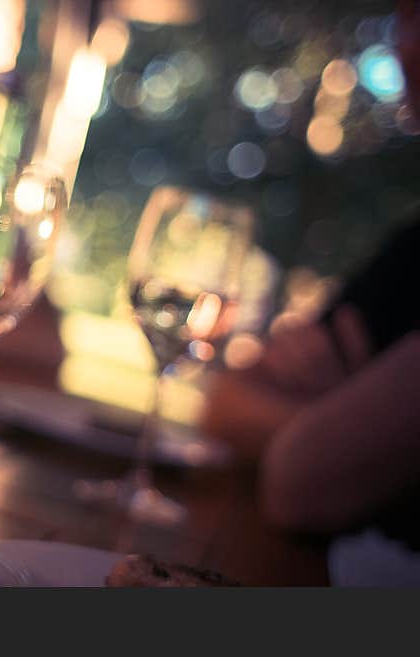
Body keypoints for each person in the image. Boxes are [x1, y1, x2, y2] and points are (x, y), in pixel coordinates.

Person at [199, 1, 420, 556]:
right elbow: (223, 402)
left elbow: (300, 478)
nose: (405, 45)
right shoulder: (410, 254)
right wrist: (348, 437)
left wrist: (338, 439)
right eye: (406, 17)